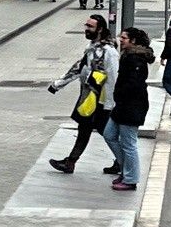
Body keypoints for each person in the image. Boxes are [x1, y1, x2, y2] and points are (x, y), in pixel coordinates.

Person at [46, 16, 119, 174]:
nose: (86, 29)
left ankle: (122, 161)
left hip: (100, 100)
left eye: (90, 26)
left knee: (105, 132)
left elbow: (113, 78)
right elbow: (80, 67)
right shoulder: (91, 47)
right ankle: (70, 162)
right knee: (84, 129)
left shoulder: (109, 52)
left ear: (100, 29)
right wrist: (58, 84)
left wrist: (110, 103)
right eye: (86, 25)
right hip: (89, 96)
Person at [103, 28, 152, 191]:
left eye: (124, 37)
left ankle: (131, 179)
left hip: (132, 106)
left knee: (128, 144)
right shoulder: (128, 56)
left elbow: (134, 84)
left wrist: (121, 95)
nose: (120, 39)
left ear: (133, 41)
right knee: (109, 135)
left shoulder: (136, 59)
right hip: (123, 105)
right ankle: (126, 170)